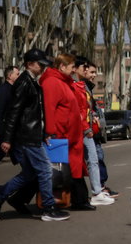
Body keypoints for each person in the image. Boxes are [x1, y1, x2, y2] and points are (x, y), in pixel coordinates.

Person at [0, 48, 70, 222]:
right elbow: (14, 112)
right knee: (45, 170)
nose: (43, 68)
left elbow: (34, 113)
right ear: (30, 64)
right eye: (40, 64)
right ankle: (48, 208)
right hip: (27, 137)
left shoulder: (32, 82)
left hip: (32, 134)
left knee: (30, 174)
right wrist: (7, 139)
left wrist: (44, 132)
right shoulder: (24, 82)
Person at [41, 53, 94, 211]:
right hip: (61, 135)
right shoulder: (52, 82)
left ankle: (80, 200)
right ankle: (75, 201)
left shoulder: (64, 81)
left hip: (71, 135)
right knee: (58, 172)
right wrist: (51, 132)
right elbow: (50, 109)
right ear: (62, 66)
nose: (73, 71)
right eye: (72, 67)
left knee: (70, 169)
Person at [72, 56, 114, 206]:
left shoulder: (82, 86)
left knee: (93, 160)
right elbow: (79, 111)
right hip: (82, 129)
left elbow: (86, 108)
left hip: (86, 128)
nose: (87, 71)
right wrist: (87, 128)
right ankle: (96, 192)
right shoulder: (76, 86)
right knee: (91, 160)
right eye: (84, 68)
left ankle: (97, 190)